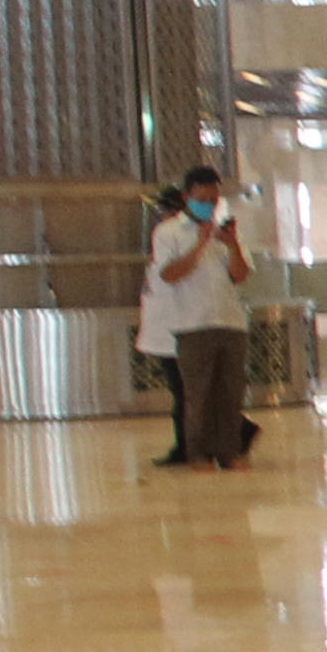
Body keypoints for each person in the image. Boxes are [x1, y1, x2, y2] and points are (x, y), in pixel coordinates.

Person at [151, 166, 256, 471]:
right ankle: (198, 454)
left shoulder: (227, 233)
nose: (208, 205)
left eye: (213, 199)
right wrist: (199, 244)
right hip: (192, 324)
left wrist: (232, 244)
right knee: (198, 395)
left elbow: (240, 275)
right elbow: (169, 274)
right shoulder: (168, 232)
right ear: (187, 197)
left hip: (230, 321)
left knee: (230, 393)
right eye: (202, 199)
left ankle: (229, 451)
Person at [136, 184, 191, 468]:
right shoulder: (168, 237)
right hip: (169, 331)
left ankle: (187, 446)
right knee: (183, 391)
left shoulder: (173, 235)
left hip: (177, 331)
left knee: (185, 392)